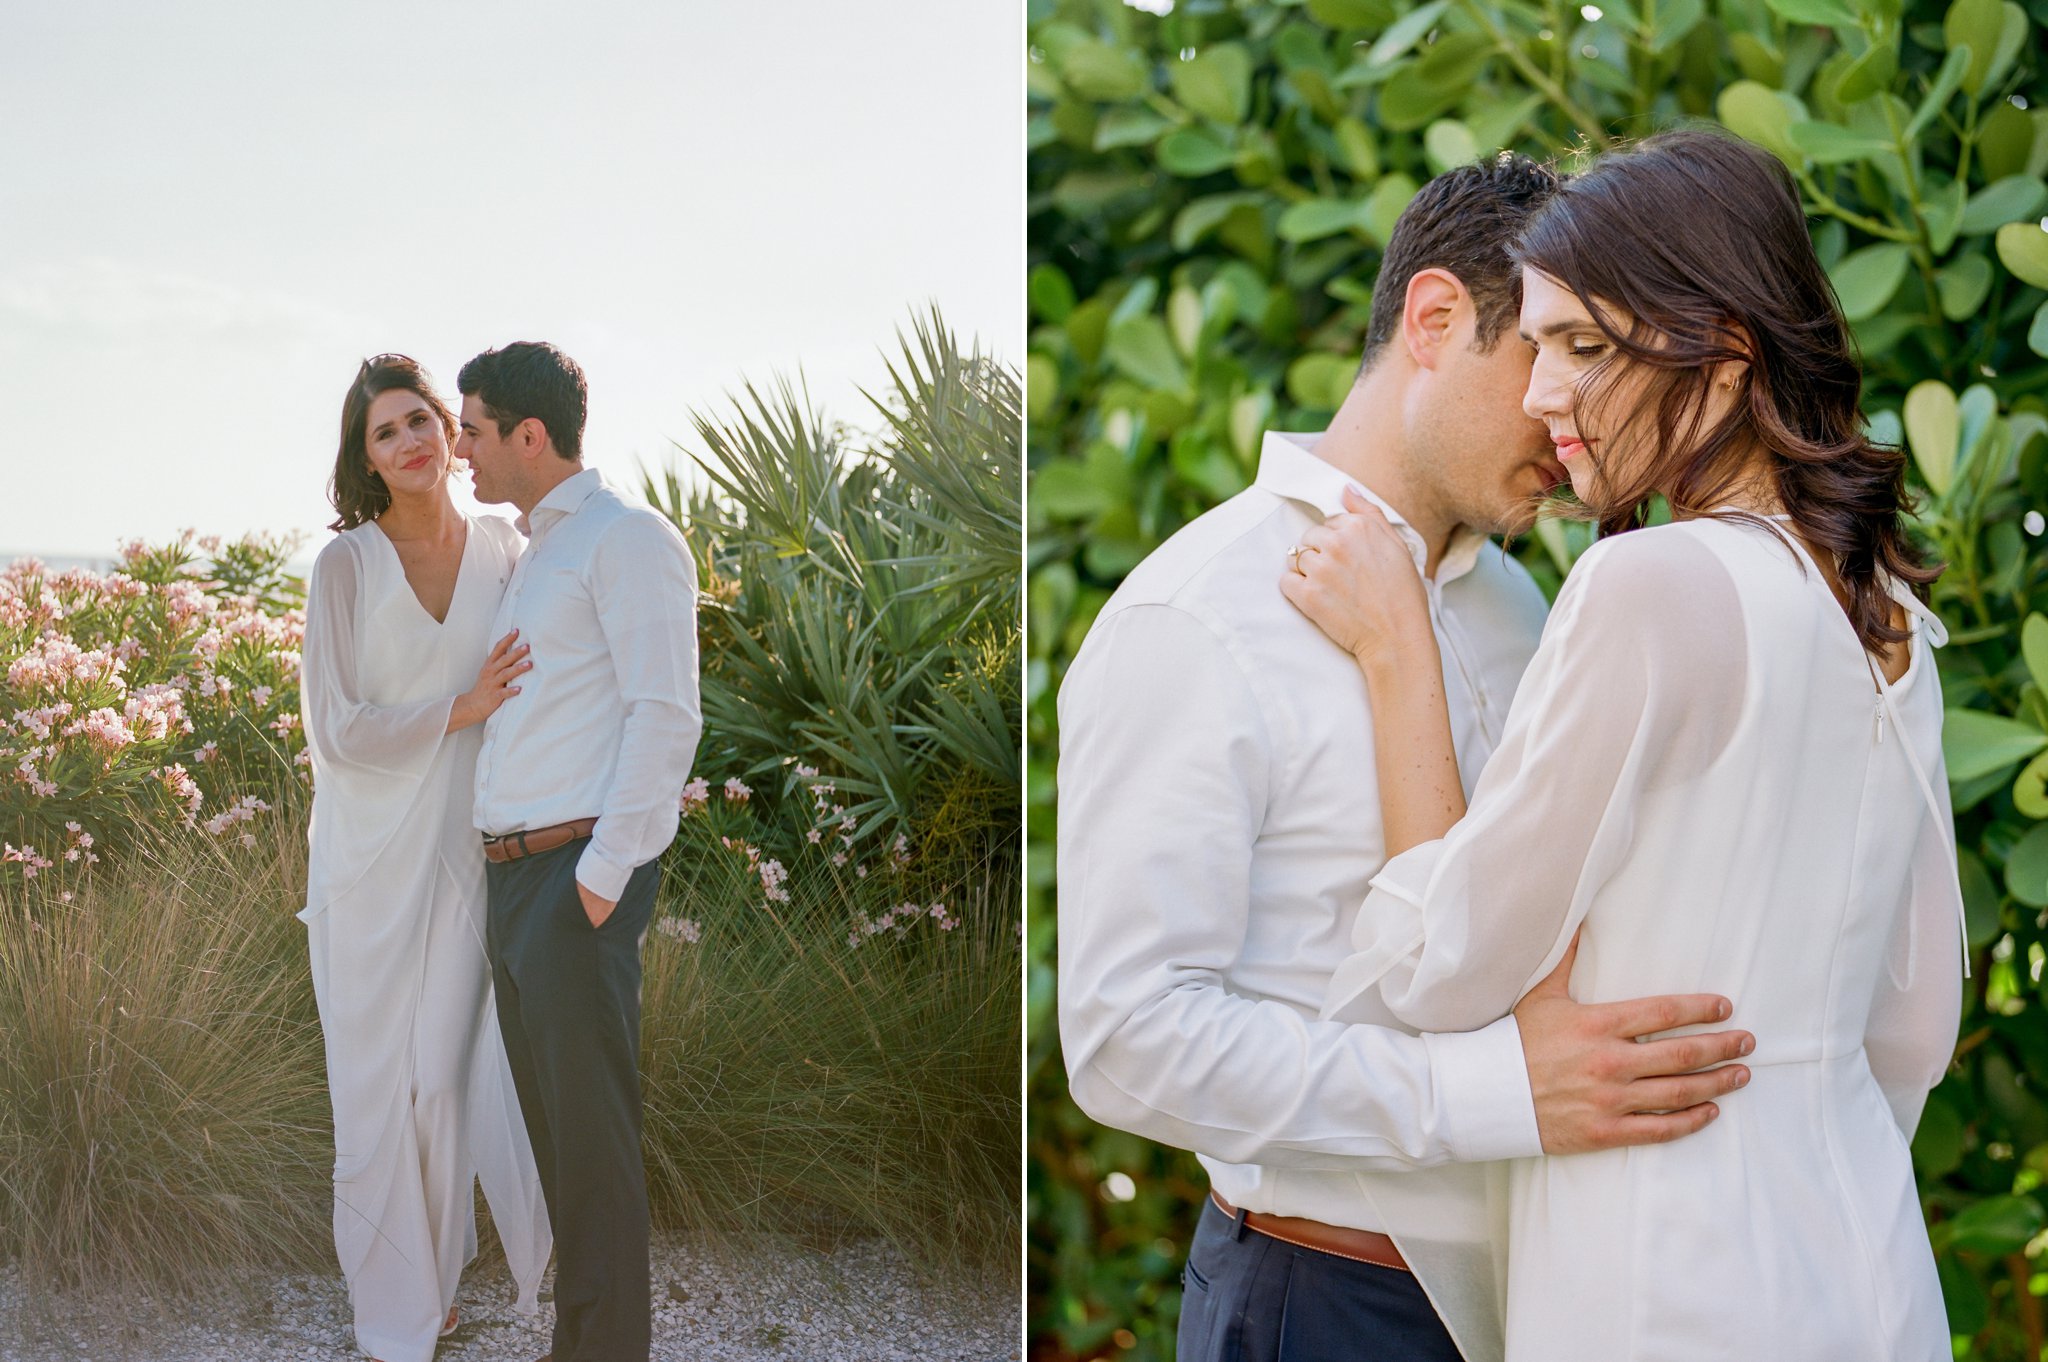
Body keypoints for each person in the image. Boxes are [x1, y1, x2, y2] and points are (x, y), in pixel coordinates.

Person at [1056, 153, 1756, 1362]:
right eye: (1536, 358)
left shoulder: (1531, 610)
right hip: (1326, 1303)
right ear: (1433, 319)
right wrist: (1489, 1097)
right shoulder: (1196, 617)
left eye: (1585, 359)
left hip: (1547, 1298)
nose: (1566, 410)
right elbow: (1126, 1040)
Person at [1288, 128, 1961, 1360]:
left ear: (1725, 350)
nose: (1543, 396)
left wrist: (1397, 654)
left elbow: (1444, 974)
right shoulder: (1891, 619)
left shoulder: (1649, 587)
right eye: (1536, 344)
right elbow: (1913, 1035)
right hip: (1866, 1266)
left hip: (1660, 1281)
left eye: (1583, 346)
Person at [299, 354, 551, 1362]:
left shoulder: (503, 546)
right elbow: (338, 729)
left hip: (467, 854)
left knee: (439, 1080)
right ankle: (389, 1300)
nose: (407, 443)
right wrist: (463, 708)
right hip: (366, 865)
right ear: (365, 459)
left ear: (453, 431)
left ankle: (436, 1282)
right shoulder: (345, 567)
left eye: (418, 422)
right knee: (372, 1087)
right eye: (383, 433)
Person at [455, 341, 701, 1362]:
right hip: (514, 882)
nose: (462, 448)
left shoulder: (625, 538)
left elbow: (664, 714)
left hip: (571, 881)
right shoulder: (533, 555)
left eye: (472, 429)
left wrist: (601, 881)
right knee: (562, 1147)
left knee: (592, 1152)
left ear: (529, 434)